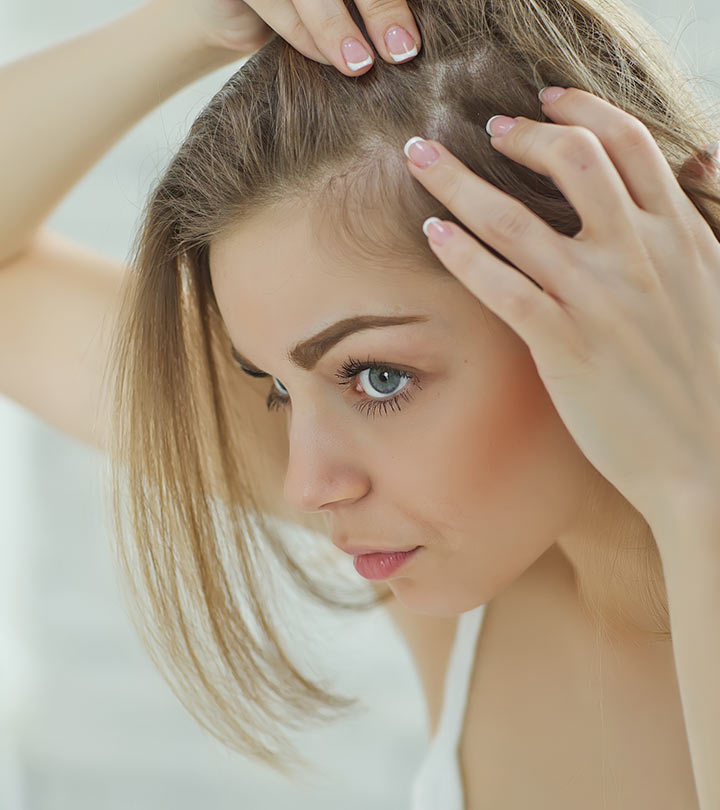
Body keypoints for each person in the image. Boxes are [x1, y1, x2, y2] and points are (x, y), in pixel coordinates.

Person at [1, 0, 719, 807]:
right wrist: (195, 24)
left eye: (377, 377)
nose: (309, 484)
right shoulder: (472, 555)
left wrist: (699, 490)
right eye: (274, 387)